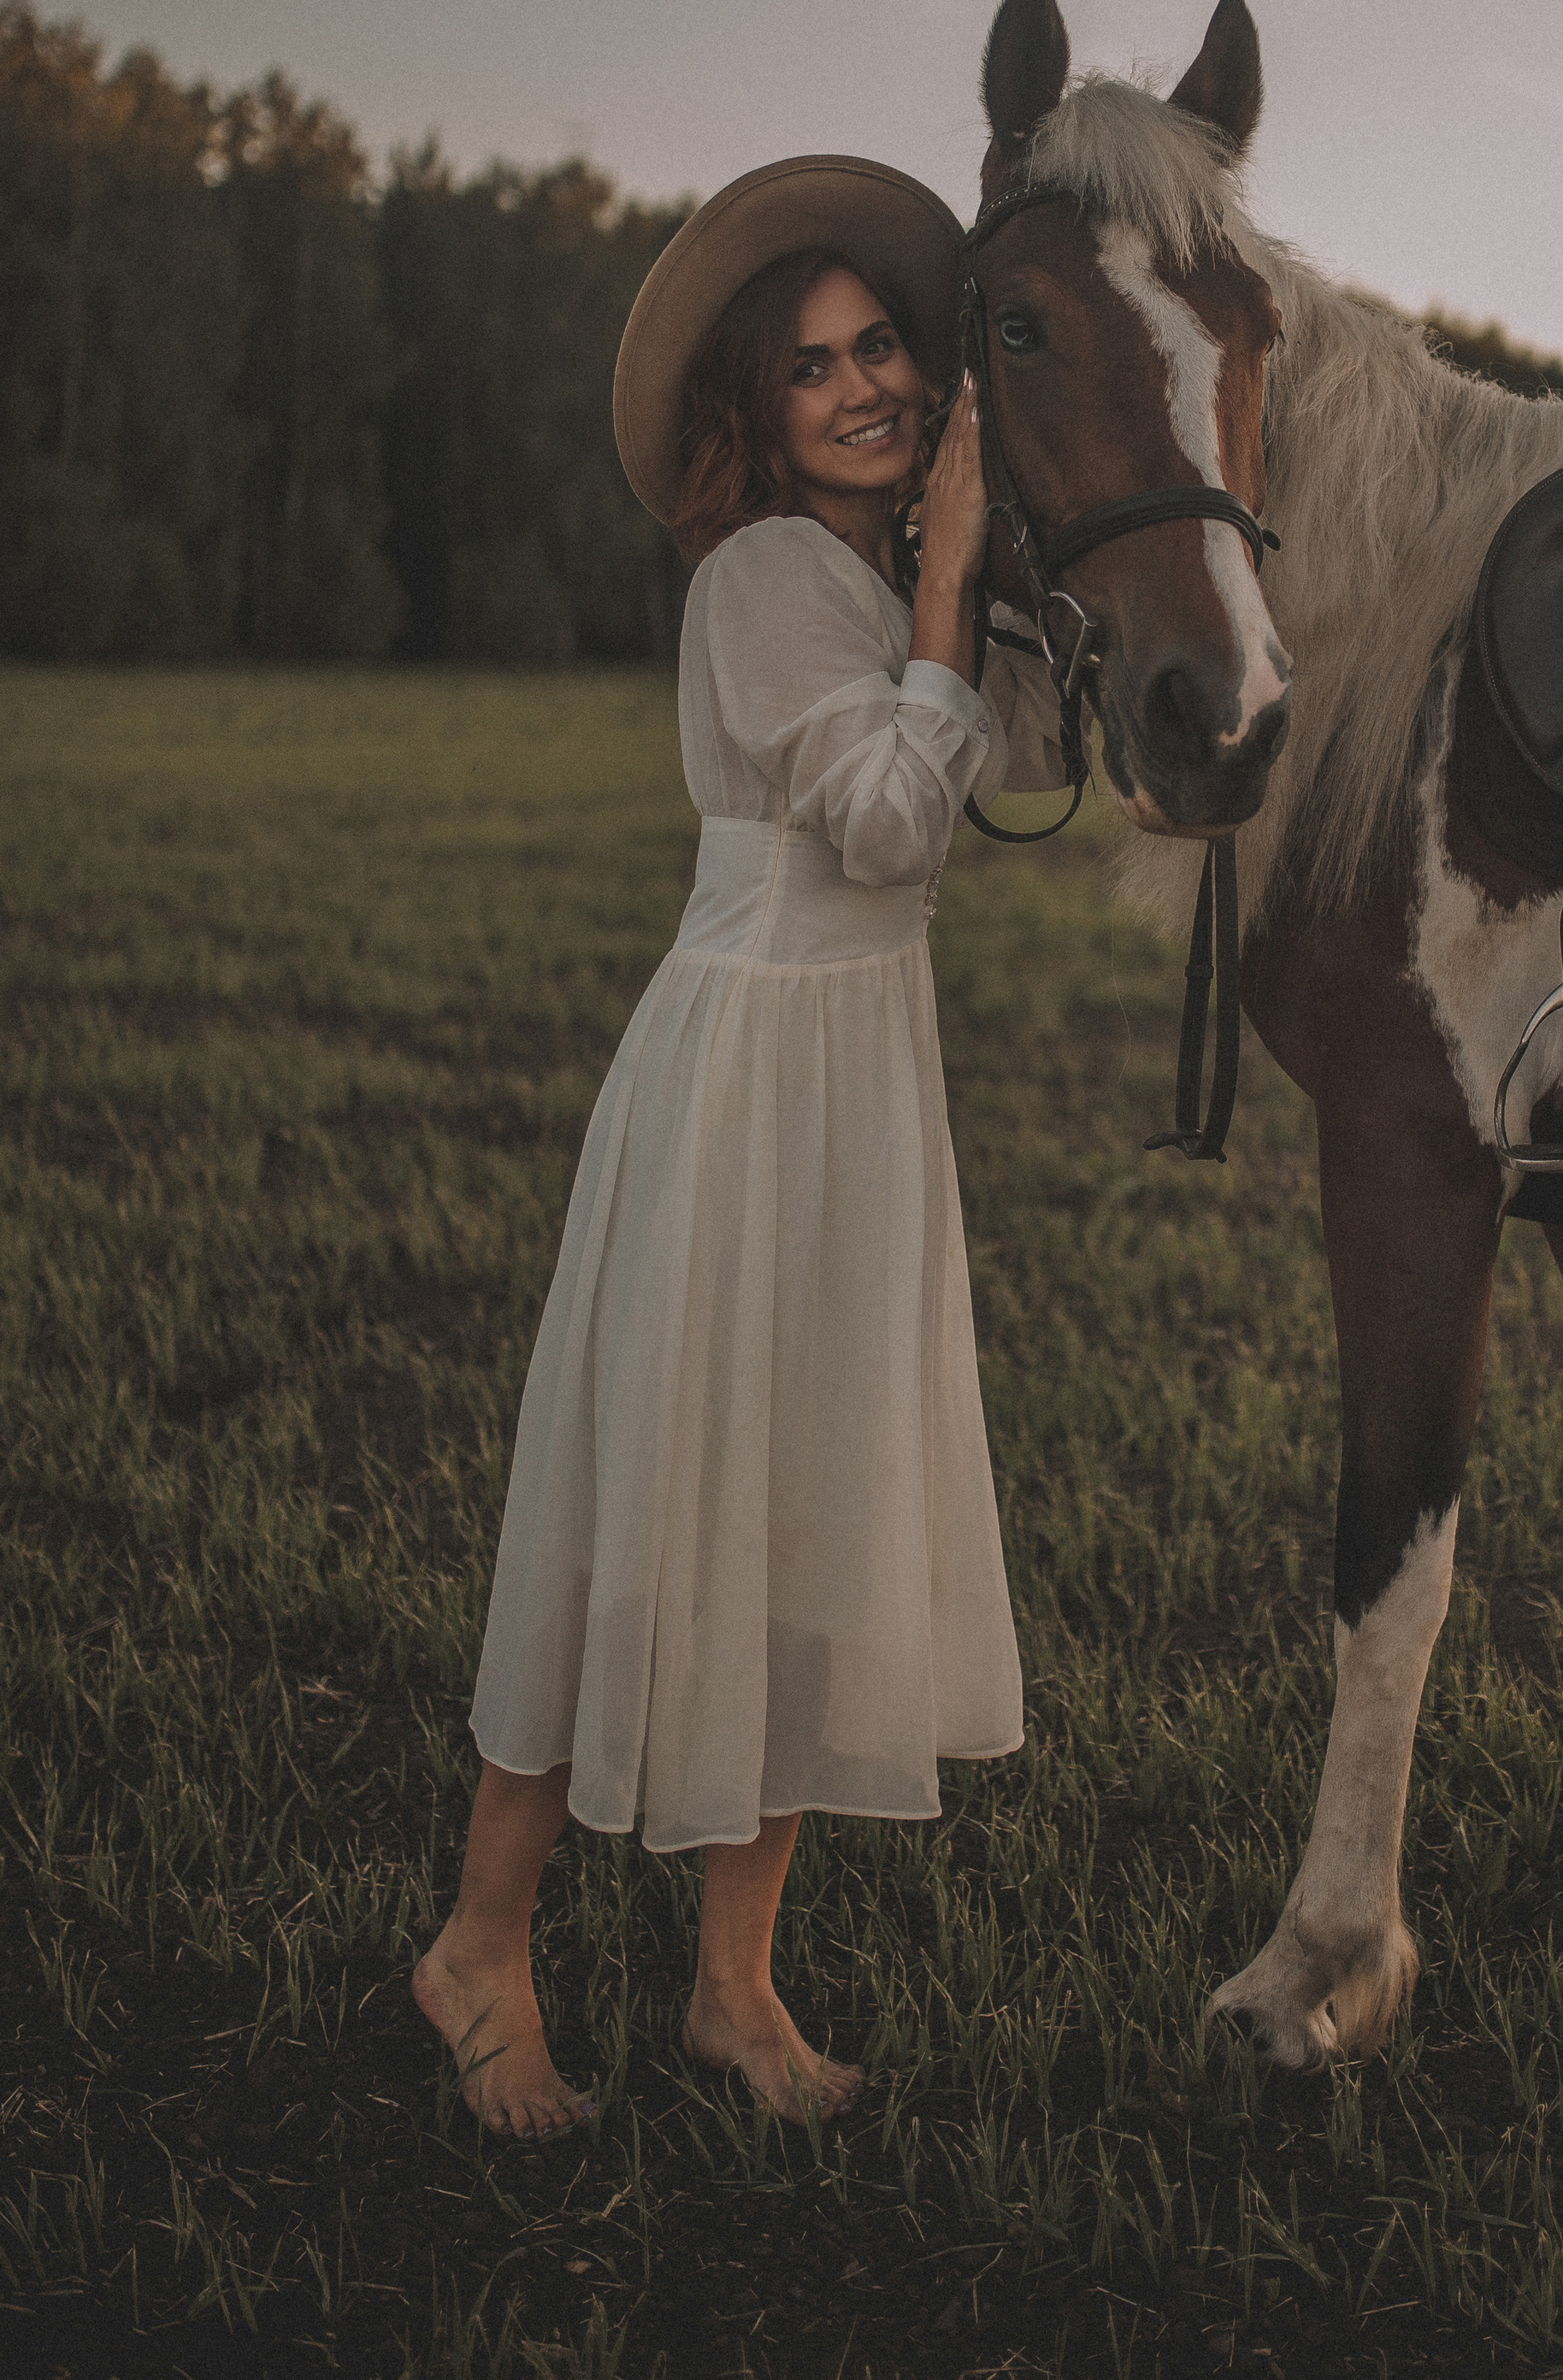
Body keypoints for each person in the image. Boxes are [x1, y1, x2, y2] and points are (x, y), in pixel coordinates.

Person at [413, 155, 1060, 2135]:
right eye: (812, 368)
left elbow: (1026, 759)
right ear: (757, 417)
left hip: (860, 1080)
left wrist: (994, 568)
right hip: (746, 1071)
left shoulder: (888, 582)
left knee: (806, 1520)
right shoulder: (766, 580)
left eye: (880, 352)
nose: (861, 388)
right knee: (648, 1513)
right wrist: (947, 587)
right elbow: (887, 820)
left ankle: (732, 1989)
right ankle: (479, 1948)